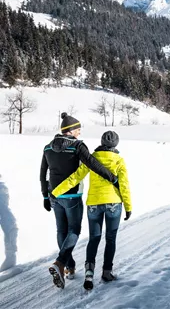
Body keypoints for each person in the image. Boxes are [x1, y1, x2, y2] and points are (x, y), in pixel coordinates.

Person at [40, 113, 118, 289]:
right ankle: (60, 263)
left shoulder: (47, 147)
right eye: (78, 129)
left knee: (61, 230)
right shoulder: (77, 146)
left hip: (54, 196)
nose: (79, 132)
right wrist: (111, 177)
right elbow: (91, 163)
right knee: (74, 229)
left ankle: (69, 266)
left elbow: (43, 172)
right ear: (71, 130)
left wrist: (45, 195)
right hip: (72, 196)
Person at [52, 131, 131, 291]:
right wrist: (128, 207)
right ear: (116, 144)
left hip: (93, 204)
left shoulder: (91, 158)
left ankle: (89, 274)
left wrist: (55, 192)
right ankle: (107, 273)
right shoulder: (119, 160)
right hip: (114, 203)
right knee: (110, 239)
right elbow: (124, 185)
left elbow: (75, 177)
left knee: (94, 238)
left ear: (101, 142)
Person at [0, 174, 18, 272]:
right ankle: (10, 258)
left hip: (9, 224)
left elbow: (3, 205)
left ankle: (10, 258)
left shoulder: (1, 188)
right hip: (9, 224)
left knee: (9, 230)